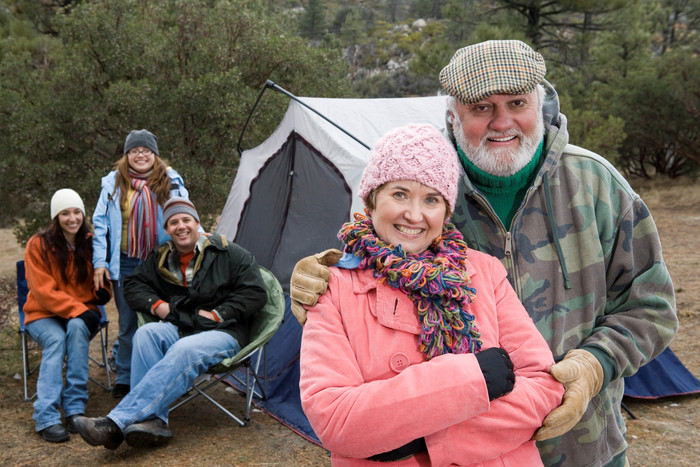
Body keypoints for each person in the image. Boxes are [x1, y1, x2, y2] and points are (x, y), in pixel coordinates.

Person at [291, 40, 678, 466]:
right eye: (481, 108)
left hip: (586, 443)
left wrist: (594, 366)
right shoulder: (427, 177)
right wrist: (320, 280)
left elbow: (652, 307)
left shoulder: (597, 185)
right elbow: (371, 264)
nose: (502, 122)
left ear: (541, 102)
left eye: (517, 102)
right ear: (453, 115)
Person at [299, 124, 564, 465]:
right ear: (371, 198)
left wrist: (415, 433)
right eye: (399, 194)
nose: (414, 214)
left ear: (445, 210)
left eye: (431, 199)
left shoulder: (484, 273)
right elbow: (335, 419)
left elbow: (543, 386)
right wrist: (477, 377)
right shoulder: (332, 288)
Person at [73, 197, 267, 449]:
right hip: (184, 325)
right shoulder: (163, 258)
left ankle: (115, 423)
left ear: (197, 223)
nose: (180, 226)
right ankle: (153, 423)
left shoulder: (228, 252)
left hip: (224, 332)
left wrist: (220, 313)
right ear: (166, 230)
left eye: (186, 219)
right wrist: (158, 306)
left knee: (184, 349)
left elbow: (255, 293)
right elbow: (133, 285)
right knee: (147, 333)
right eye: (173, 222)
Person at [92, 129, 199, 398]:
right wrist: (99, 262)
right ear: (127, 155)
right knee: (128, 322)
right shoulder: (112, 183)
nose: (141, 155)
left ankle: (170, 374)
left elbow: (183, 213)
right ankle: (126, 377)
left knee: (166, 317)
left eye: (146, 150)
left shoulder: (171, 180)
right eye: (135, 151)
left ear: (154, 154)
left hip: (164, 262)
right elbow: (100, 224)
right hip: (126, 263)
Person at [23, 189, 111, 443]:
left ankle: (74, 409)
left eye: (76, 212)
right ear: (56, 217)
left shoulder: (93, 241)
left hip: (80, 314)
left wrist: (103, 291)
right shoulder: (38, 244)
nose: (72, 218)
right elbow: (42, 291)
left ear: (83, 214)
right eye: (65, 213)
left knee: (75, 330)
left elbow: (103, 280)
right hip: (43, 313)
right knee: (56, 340)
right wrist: (79, 310)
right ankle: (46, 416)